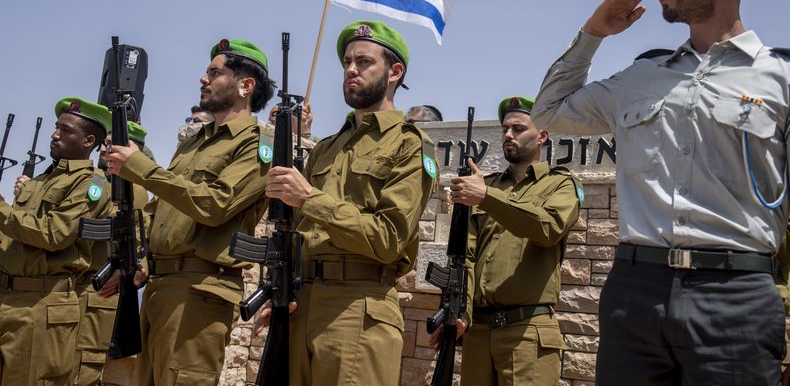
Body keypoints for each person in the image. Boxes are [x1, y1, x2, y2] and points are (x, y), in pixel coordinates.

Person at [532, 0, 789, 385]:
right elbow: (546, 114)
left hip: (736, 295)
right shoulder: (640, 76)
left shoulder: (781, 78)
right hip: (635, 293)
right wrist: (594, 32)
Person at [259, 20, 438, 386]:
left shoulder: (409, 145)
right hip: (301, 304)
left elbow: (388, 240)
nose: (350, 69)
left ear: (395, 72)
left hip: (358, 307)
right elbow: (297, 232)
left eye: (363, 61)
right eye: (346, 62)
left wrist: (309, 197)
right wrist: (277, 288)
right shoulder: (326, 147)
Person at [104, 38, 275, 386]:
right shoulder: (195, 140)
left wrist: (139, 166)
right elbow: (163, 208)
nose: (203, 78)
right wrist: (140, 261)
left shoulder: (259, 144)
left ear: (245, 85)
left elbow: (214, 205)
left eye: (215, 72)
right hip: (159, 287)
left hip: (199, 292)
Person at [432, 96, 580, 386]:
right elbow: (466, 256)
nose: (508, 135)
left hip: (526, 331)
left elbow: (548, 229)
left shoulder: (560, 184)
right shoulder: (487, 185)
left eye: (518, 128)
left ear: (542, 136)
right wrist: (460, 313)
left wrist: (487, 198)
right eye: (505, 129)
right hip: (479, 333)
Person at [0, 97, 111, 386]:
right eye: (56, 127)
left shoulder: (93, 185)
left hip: (42, 305)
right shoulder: (38, 182)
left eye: (65, 130)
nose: (55, 134)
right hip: (8, 298)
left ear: (88, 140)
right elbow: (14, 236)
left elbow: (55, 234)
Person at [74, 120, 151, 386]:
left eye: (110, 145)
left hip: (111, 293)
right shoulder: (100, 183)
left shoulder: (133, 190)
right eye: (103, 145)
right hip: (96, 291)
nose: (103, 150)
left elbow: (139, 240)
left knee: (110, 372)